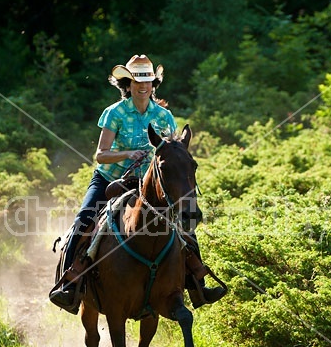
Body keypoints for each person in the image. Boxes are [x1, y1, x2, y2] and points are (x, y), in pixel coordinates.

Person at [50, 54, 226, 312]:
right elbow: (101, 154)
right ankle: (69, 285)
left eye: (148, 81)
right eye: (137, 81)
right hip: (111, 178)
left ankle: (198, 283)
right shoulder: (114, 113)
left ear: (154, 85)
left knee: (185, 227)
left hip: (151, 184)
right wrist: (128, 154)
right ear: (128, 84)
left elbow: (173, 151)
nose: (143, 86)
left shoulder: (164, 116)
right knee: (83, 221)